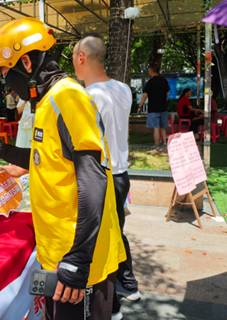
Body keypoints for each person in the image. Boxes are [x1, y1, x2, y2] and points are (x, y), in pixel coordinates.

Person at [0, 17, 124, 320]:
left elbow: (93, 181)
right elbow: (45, 160)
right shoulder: (46, 103)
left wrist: (78, 261)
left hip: (79, 259)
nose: (6, 83)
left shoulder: (68, 99)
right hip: (59, 252)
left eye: (4, 73)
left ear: (25, 63)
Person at [72, 34, 139, 318]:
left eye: (74, 57)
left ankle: (112, 305)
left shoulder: (89, 97)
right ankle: (129, 284)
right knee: (116, 232)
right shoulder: (123, 89)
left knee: (101, 240)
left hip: (102, 176)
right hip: (121, 175)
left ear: (82, 58)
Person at [137, 66, 170, 145]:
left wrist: (140, 106)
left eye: (149, 71)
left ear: (151, 71)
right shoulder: (164, 81)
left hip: (153, 108)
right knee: (162, 127)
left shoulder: (150, 82)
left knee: (156, 128)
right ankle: (165, 143)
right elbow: (167, 94)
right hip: (163, 108)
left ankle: (157, 144)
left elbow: (145, 95)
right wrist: (164, 102)